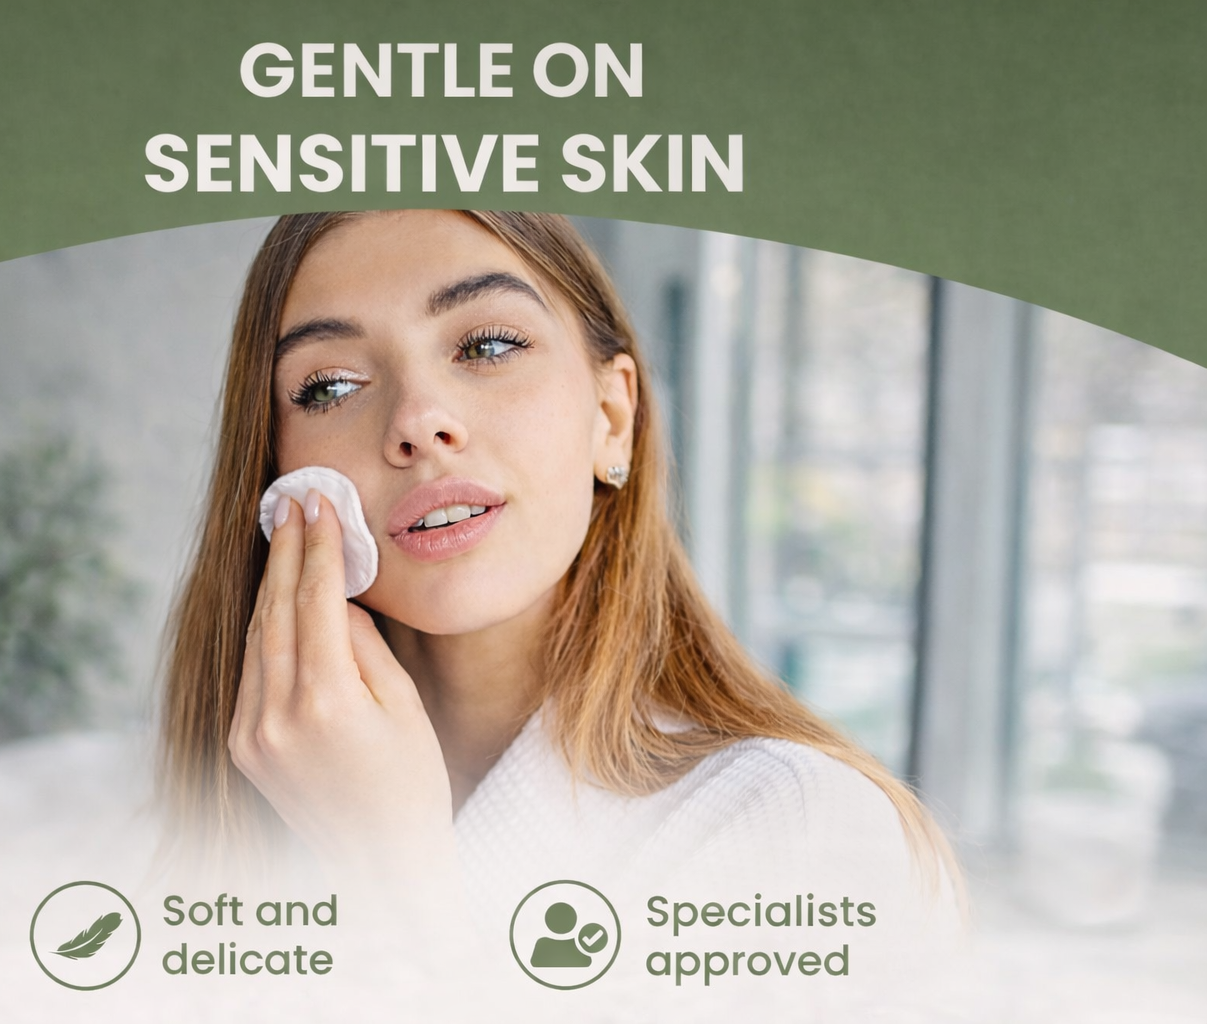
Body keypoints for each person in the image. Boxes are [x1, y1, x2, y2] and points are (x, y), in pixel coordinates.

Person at [157, 211, 958, 920]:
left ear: (611, 418)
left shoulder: (791, 823)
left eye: (489, 345)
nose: (417, 421)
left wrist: (392, 877)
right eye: (329, 386)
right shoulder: (227, 818)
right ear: (272, 472)